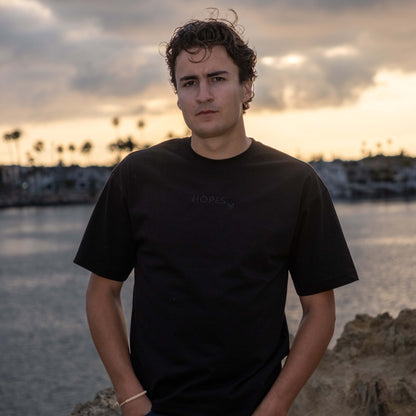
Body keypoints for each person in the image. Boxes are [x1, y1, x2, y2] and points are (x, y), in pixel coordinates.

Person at [74, 11, 358, 416]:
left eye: (217, 78)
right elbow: (102, 292)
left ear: (246, 87)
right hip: (158, 408)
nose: (203, 94)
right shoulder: (137, 176)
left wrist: (274, 407)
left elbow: (319, 309)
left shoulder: (296, 183)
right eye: (189, 82)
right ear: (177, 95)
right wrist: (132, 399)